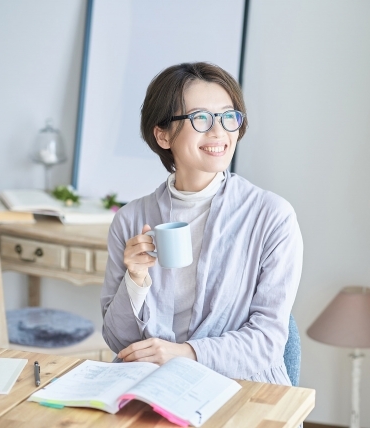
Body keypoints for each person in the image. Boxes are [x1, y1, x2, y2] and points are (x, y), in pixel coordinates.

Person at [100, 62, 303, 386]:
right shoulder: (131, 219)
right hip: (154, 386)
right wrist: (135, 280)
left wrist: (184, 354)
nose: (219, 131)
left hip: (243, 388)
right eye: (201, 118)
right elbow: (118, 341)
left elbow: (267, 343)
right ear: (163, 134)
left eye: (228, 116)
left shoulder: (271, 217)